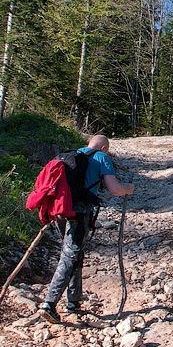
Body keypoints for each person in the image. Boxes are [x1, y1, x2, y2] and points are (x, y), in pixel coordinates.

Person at [38, 134, 134, 323]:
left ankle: (73, 301)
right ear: (105, 147)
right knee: (71, 254)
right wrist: (128, 189)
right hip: (80, 212)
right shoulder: (101, 157)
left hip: (60, 209)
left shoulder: (70, 155)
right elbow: (114, 189)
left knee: (74, 253)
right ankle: (49, 304)